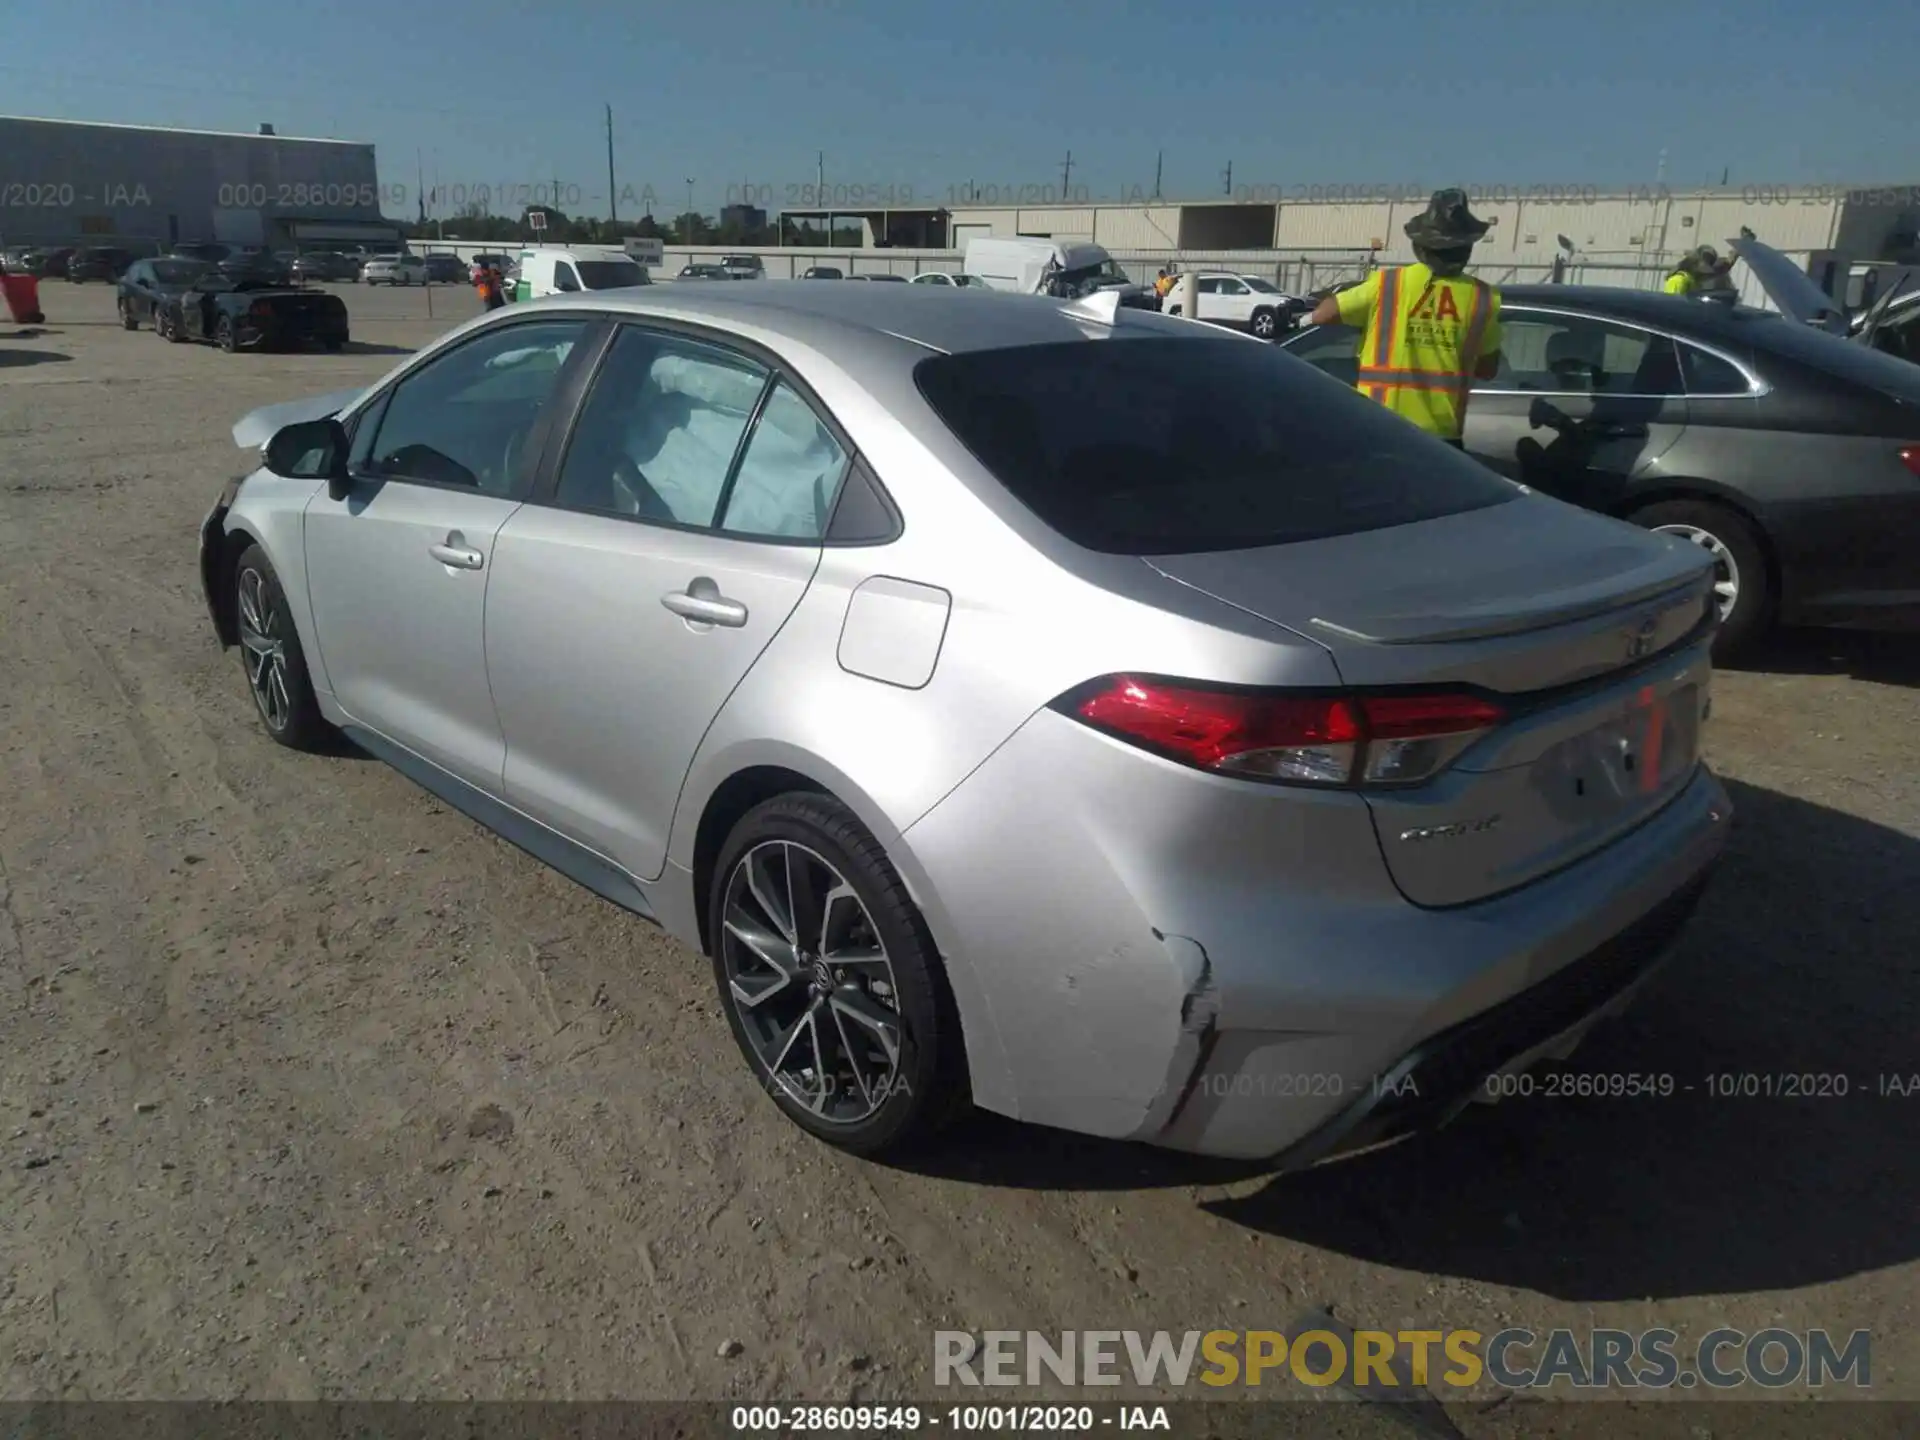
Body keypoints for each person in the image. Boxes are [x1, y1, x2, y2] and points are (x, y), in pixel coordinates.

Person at [1308, 188, 1502, 448]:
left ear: (1421, 244)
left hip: (1381, 426)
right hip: (1443, 438)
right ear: (1466, 246)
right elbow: (1488, 369)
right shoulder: (1483, 298)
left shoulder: (1389, 284)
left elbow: (1322, 315)